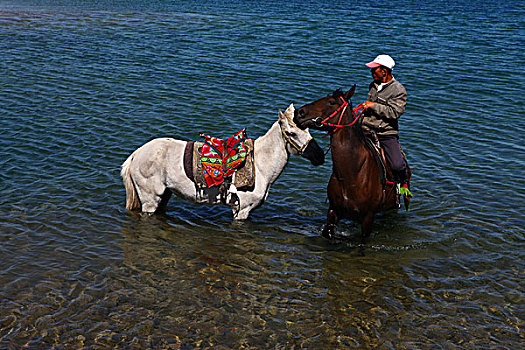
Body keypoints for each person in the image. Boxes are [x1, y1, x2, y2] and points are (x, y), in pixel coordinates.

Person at [361, 54, 413, 200]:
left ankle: (403, 182)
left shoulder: (399, 90)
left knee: (396, 164)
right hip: (365, 128)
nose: (371, 73)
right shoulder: (373, 85)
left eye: (374, 70)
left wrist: (373, 106)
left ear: (384, 71)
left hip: (385, 132)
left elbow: (395, 113)